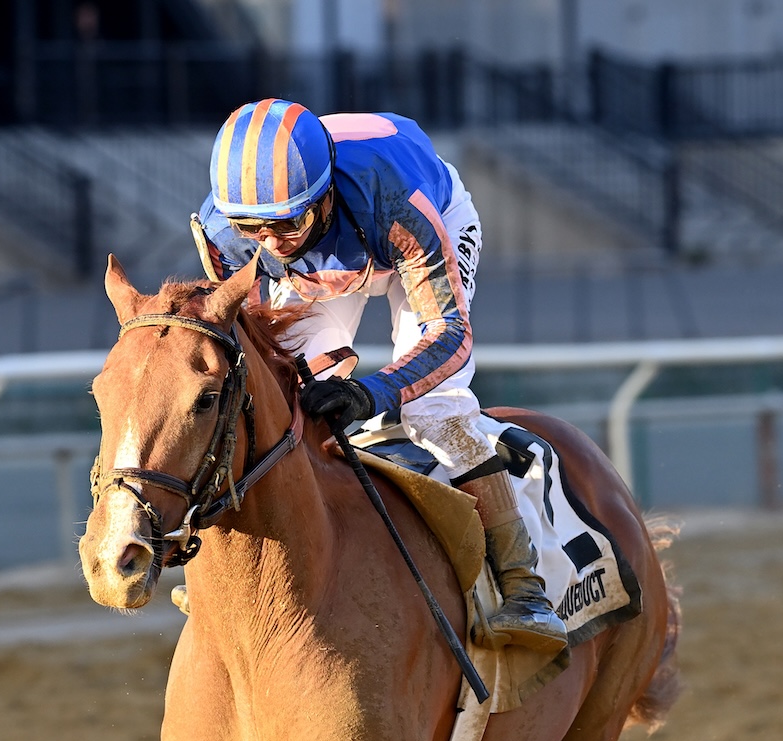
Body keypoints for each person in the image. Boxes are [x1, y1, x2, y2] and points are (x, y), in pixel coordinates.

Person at [191, 97, 566, 656]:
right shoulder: (224, 235)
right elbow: (259, 350)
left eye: (286, 223)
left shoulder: (397, 202)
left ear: (323, 196)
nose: (269, 245)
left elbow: (448, 337)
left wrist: (372, 391)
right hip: (332, 257)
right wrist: (313, 372)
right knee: (292, 388)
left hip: (410, 232)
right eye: (252, 228)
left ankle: (522, 583)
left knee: (433, 408)